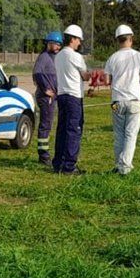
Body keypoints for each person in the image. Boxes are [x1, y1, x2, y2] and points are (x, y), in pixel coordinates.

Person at [104, 24, 140, 175]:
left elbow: (106, 80)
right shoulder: (139, 56)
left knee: (119, 135)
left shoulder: (112, 58)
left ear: (118, 40)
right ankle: (125, 167)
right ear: (131, 38)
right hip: (134, 101)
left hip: (117, 101)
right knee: (131, 135)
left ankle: (119, 165)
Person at [53, 24, 92, 174]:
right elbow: (85, 76)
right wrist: (92, 75)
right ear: (73, 39)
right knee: (73, 130)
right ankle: (69, 166)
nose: (79, 43)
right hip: (74, 96)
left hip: (61, 95)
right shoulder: (75, 56)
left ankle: (58, 163)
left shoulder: (59, 56)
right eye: (78, 40)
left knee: (61, 129)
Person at [32, 31, 63, 165]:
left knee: (49, 125)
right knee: (45, 125)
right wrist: (45, 89)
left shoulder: (55, 57)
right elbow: (37, 74)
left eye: (58, 44)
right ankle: (43, 156)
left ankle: (46, 153)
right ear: (48, 44)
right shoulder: (44, 57)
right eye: (54, 44)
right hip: (46, 98)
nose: (57, 47)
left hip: (53, 96)